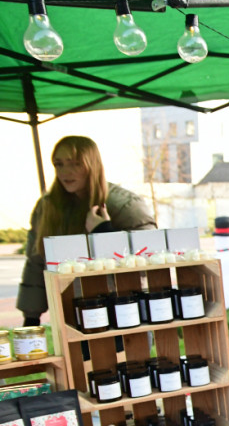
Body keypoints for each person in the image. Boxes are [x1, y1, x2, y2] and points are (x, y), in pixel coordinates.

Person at [18, 136, 155, 325]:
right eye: (59, 164)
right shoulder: (47, 207)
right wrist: (31, 316)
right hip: (70, 315)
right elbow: (36, 261)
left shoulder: (124, 205)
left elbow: (149, 260)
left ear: (92, 165)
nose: (66, 172)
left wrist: (103, 230)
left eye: (75, 164)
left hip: (123, 312)